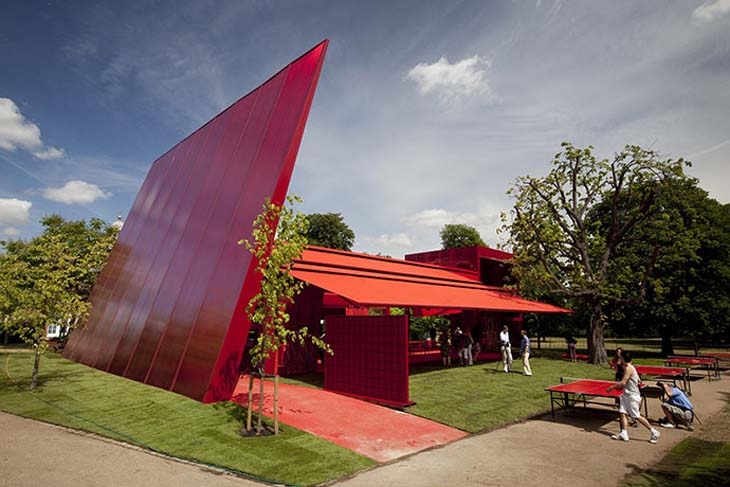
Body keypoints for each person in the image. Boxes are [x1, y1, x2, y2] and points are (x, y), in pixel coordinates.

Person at [606, 351, 661, 443]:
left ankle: (654, 432)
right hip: (626, 395)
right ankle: (624, 433)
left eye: (621, 358)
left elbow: (623, 382)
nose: (619, 359)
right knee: (622, 412)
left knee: (636, 416)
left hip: (632, 396)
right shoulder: (627, 366)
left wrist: (612, 387)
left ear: (623, 359)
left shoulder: (629, 369)